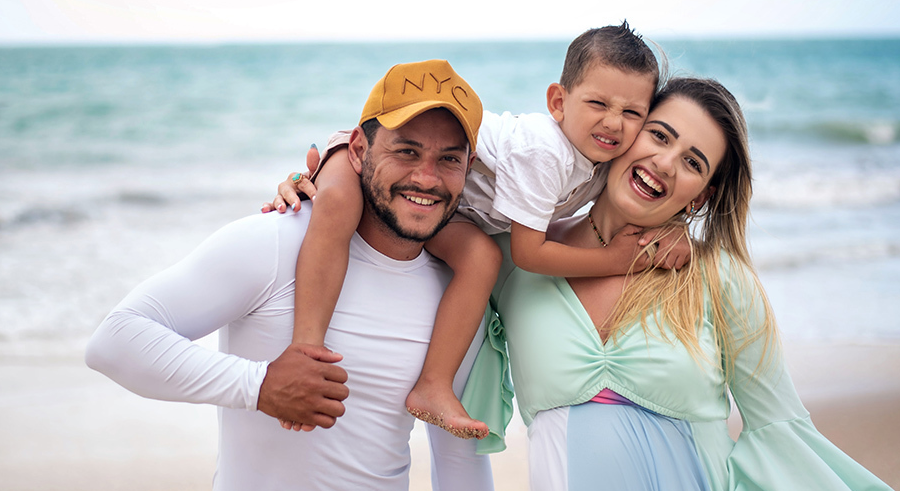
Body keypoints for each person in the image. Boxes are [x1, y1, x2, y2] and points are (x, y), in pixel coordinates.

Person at [461, 76, 900, 491]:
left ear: (701, 194)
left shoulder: (718, 277)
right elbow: (430, 206)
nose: (664, 162)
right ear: (626, 131)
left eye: (693, 162)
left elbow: (779, 435)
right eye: (659, 135)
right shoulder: (514, 262)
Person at [84, 62, 502, 491]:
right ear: (356, 149)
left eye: (449, 159)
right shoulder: (277, 243)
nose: (426, 177)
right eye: (406, 150)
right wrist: (259, 386)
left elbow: (457, 460)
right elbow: (115, 340)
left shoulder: (455, 295)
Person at [270, 23, 682, 440]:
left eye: (632, 113)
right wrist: (615, 260)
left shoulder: (600, 156)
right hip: (396, 162)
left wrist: (679, 229)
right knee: (340, 203)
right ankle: (306, 349)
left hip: (442, 205)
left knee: (479, 257)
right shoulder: (546, 152)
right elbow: (528, 253)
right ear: (558, 102)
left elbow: (624, 203)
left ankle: (432, 386)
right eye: (598, 103)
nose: (614, 123)